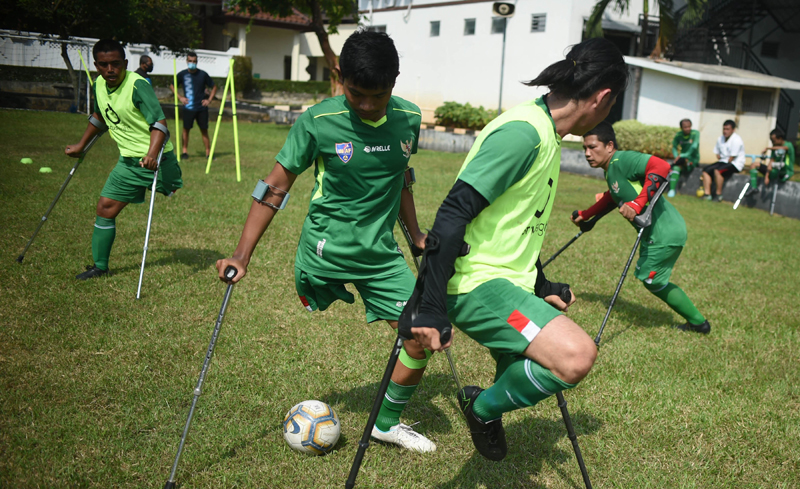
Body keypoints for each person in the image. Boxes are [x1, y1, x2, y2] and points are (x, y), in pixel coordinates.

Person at [400, 38, 628, 462]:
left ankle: (489, 401)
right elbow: (452, 214)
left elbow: (513, 223)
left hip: (509, 284)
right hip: (476, 285)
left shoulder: (548, 133)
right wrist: (429, 305)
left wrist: (541, 283)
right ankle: (481, 408)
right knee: (576, 356)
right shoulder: (524, 134)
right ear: (603, 97)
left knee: (526, 368)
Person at [215, 30, 436, 452]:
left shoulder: (408, 117)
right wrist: (242, 255)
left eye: (379, 94)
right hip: (325, 252)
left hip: (380, 256)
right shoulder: (317, 121)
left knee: (422, 336)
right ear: (340, 77)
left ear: (395, 80)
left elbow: (400, 177)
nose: (368, 105)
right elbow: (275, 187)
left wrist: (416, 232)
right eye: (357, 94)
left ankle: (385, 424)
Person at [573, 122, 709, 334]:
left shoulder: (622, 159)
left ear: (609, 145)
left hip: (664, 232)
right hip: (656, 232)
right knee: (651, 278)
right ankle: (698, 323)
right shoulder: (611, 170)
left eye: (592, 147)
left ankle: (699, 323)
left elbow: (662, 167)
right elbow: (612, 196)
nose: (587, 153)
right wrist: (586, 215)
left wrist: (637, 205)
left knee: (652, 280)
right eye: (585, 149)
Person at [65, 39, 182, 280]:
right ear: (96, 65)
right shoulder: (98, 84)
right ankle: (100, 267)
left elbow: (159, 123)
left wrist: (151, 155)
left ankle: (166, 187)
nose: (110, 70)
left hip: (157, 160)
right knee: (105, 208)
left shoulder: (137, 85)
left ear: (125, 64)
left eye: (116, 64)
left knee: (171, 187)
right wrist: (80, 145)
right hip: (128, 163)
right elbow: (100, 116)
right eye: (104, 65)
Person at [169, 52, 217, 160]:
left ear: (197, 62)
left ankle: (208, 153)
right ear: (187, 61)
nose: (192, 63)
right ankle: (184, 151)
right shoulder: (182, 74)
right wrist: (180, 97)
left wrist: (209, 100)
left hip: (201, 108)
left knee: (204, 129)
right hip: (188, 107)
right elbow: (172, 85)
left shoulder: (203, 74)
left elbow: (214, 87)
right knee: (186, 129)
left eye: (194, 61)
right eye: (190, 61)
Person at [701, 119, 745, 201]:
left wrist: (720, 162)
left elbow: (731, 159)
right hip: (723, 162)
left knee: (718, 171)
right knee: (706, 170)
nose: (725, 131)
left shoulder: (737, 140)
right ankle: (707, 194)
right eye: (724, 129)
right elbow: (717, 154)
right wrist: (720, 157)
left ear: (733, 130)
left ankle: (718, 195)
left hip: (735, 164)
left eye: (727, 129)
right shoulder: (720, 138)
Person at [747, 128, 795, 194]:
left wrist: (768, 148)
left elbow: (784, 148)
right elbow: (771, 161)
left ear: (780, 138)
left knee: (782, 165)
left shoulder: (788, 145)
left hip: (785, 171)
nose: (772, 143)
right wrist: (767, 176)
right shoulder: (774, 148)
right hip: (775, 171)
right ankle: (754, 187)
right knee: (754, 165)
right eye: (771, 141)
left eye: (773, 141)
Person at [667, 118, 699, 197]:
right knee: (676, 168)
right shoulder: (679, 135)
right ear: (681, 128)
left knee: (684, 163)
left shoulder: (695, 134)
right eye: (685, 127)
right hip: (682, 159)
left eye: (689, 127)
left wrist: (682, 156)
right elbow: (674, 147)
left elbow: (694, 147)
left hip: (692, 159)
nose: (687, 129)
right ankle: (672, 190)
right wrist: (676, 157)